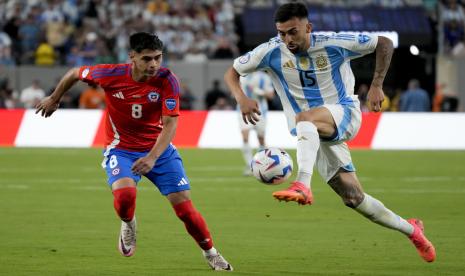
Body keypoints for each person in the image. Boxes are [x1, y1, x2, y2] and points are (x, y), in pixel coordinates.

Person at [224, 2, 435, 263]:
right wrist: (241, 98)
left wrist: (377, 85)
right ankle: (412, 230)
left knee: (305, 118)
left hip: (343, 113)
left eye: (293, 32)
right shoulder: (270, 51)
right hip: (312, 132)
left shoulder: (333, 42)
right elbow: (233, 72)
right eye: (282, 33)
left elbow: (383, 42)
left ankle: (302, 183)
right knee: (353, 198)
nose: (287, 39)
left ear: (308, 27)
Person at [35, 32, 232, 271]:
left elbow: (170, 124)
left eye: (158, 58)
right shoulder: (109, 74)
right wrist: (55, 98)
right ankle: (128, 223)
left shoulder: (167, 79)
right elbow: (76, 73)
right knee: (126, 197)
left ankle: (210, 253)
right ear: (132, 57)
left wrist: (152, 157)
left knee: (185, 209)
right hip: (121, 150)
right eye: (147, 59)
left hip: (159, 151)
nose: (154, 64)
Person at [238, 71, 275, 176]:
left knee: (261, 139)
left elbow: (271, 95)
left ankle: (263, 165)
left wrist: (261, 92)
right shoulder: (242, 76)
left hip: (260, 111)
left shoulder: (264, 77)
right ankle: (250, 166)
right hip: (243, 110)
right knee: (245, 137)